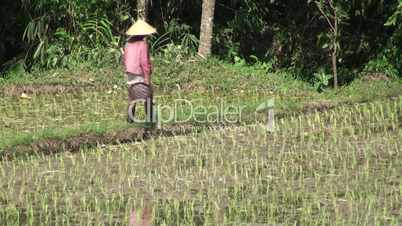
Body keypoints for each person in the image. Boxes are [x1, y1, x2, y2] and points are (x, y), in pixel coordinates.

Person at [122, 19, 156, 123]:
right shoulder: (142, 44)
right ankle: (150, 119)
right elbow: (144, 62)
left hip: (130, 73)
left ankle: (129, 119)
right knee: (148, 96)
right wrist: (147, 77)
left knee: (133, 96)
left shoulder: (127, 44)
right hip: (139, 73)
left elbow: (124, 59)